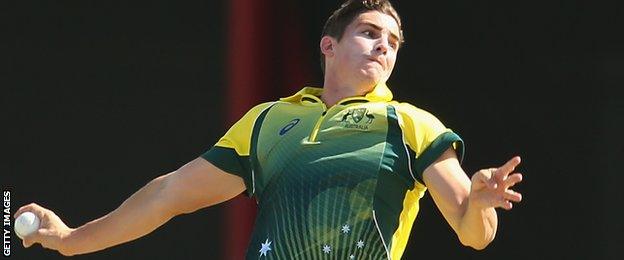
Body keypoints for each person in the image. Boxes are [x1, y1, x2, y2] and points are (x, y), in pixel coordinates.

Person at [15, 0, 523, 259]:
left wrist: (478, 204)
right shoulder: (269, 121)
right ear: (329, 46)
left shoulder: (411, 124)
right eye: (368, 33)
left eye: (392, 41)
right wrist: (71, 239)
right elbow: (168, 195)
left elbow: (472, 233)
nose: (383, 46)